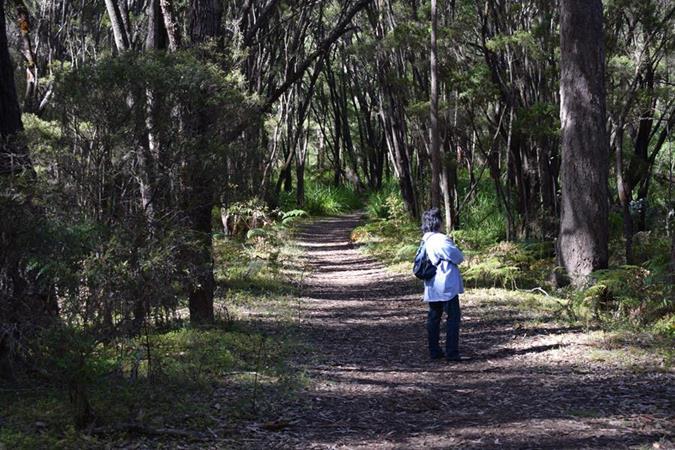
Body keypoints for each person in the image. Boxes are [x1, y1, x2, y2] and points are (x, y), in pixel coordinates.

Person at [420, 208, 465, 361]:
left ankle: (434, 351)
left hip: (432, 285)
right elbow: (458, 257)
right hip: (446, 284)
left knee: (434, 317)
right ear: (437, 222)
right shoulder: (440, 239)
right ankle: (452, 353)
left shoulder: (425, 240)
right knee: (453, 317)